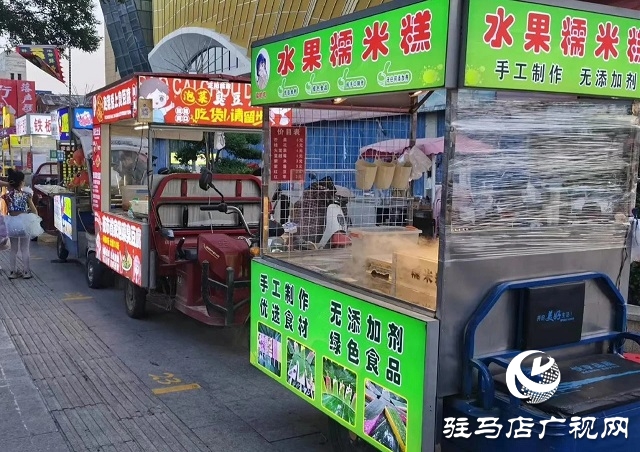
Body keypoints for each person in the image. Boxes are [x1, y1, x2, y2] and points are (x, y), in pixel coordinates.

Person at [1, 169, 37, 279]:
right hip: (24, 222)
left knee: (13, 249)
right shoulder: (27, 194)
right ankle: (26, 272)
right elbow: (34, 210)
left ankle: (13, 272)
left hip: (12, 222)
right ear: (21, 182)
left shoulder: (7, 196)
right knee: (25, 248)